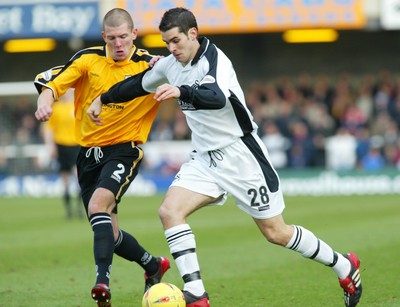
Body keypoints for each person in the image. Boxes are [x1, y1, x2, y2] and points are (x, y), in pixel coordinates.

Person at [88, 7, 362, 307]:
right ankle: (196, 293)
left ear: (193, 34)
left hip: (241, 155)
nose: (171, 48)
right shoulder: (170, 64)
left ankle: (344, 265)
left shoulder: (214, 61)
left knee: (276, 232)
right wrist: (103, 98)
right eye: (167, 43)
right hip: (205, 158)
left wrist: (181, 91)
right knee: (169, 212)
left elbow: (216, 97)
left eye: (176, 41)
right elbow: (138, 84)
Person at [34, 8, 170, 307]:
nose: (118, 44)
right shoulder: (88, 59)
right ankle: (152, 264)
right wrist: (44, 101)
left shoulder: (151, 65)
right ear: (103, 37)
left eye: (123, 37)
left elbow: (183, 70)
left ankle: (102, 283)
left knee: (98, 206)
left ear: (134, 34)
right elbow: (52, 83)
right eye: (112, 39)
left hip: (125, 149)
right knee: (110, 231)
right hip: (88, 156)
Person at [41, 89, 84, 219]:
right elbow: (48, 128)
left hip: (76, 145)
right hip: (61, 146)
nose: (66, 93)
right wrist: (50, 145)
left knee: (79, 177)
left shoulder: (78, 106)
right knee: (64, 178)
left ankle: (80, 208)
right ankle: (69, 210)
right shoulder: (56, 108)